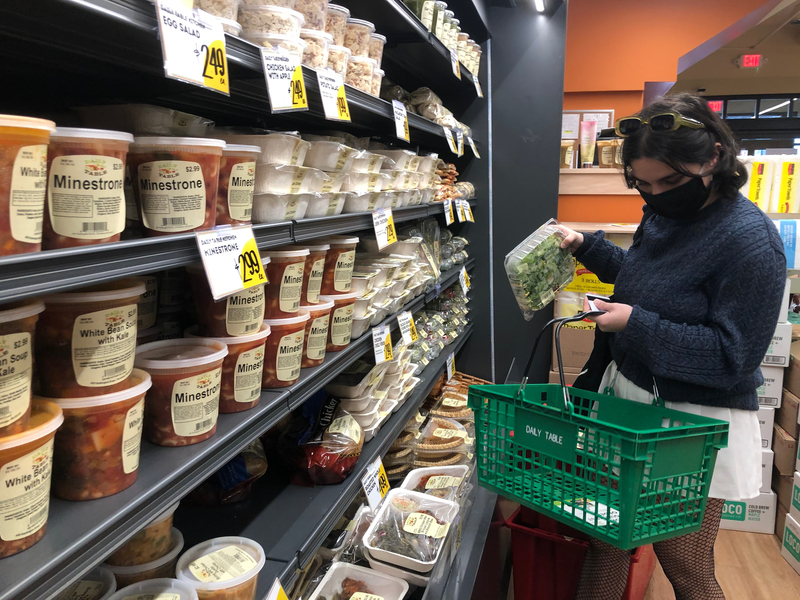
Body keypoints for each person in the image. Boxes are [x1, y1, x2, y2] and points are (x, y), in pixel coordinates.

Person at [556, 93, 786, 600]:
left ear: (714, 158)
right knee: (605, 537)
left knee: (684, 562)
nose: (657, 194)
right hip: (630, 397)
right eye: (644, 183)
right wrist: (587, 247)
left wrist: (633, 324)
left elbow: (732, 356)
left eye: (671, 181)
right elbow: (652, 283)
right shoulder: (661, 214)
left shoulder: (750, 241)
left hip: (693, 421)